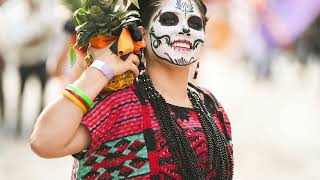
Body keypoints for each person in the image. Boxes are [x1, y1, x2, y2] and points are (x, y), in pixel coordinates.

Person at [30, 0, 234, 179]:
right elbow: (44, 141)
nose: (185, 30)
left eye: (195, 24)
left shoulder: (211, 105)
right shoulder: (120, 103)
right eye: (170, 20)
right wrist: (101, 69)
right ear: (142, 35)